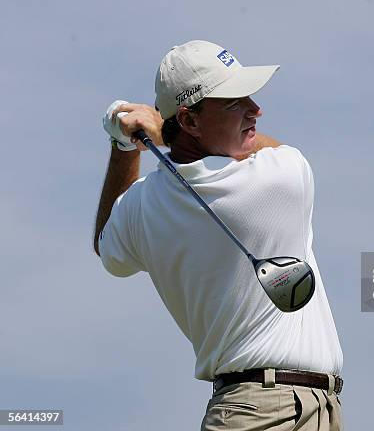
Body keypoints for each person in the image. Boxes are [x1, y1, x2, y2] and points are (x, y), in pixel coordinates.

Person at [93, 40, 344, 430]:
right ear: (190, 121)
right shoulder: (280, 178)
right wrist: (161, 134)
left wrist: (125, 145)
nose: (256, 110)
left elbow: (106, 245)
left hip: (269, 409)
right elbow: (268, 150)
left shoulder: (142, 206)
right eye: (234, 102)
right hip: (265, 411)